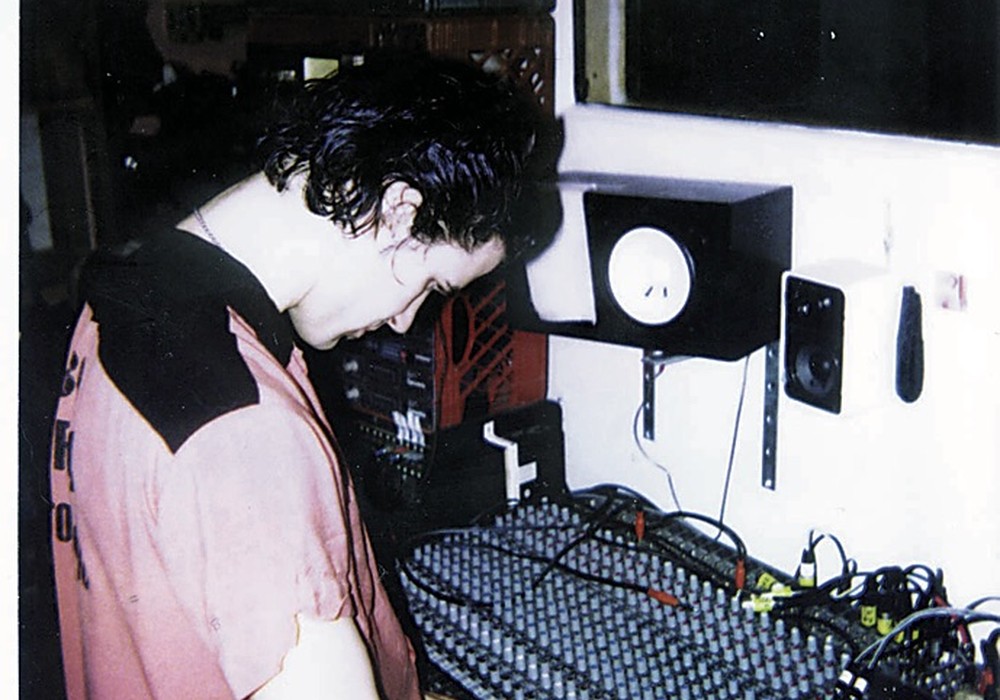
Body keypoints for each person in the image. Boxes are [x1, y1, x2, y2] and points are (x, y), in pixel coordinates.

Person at [49, 52, 554, 699]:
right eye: (432, 284)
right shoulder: (246, 432)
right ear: (399, 209)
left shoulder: (128, 289)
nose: (406, 321)